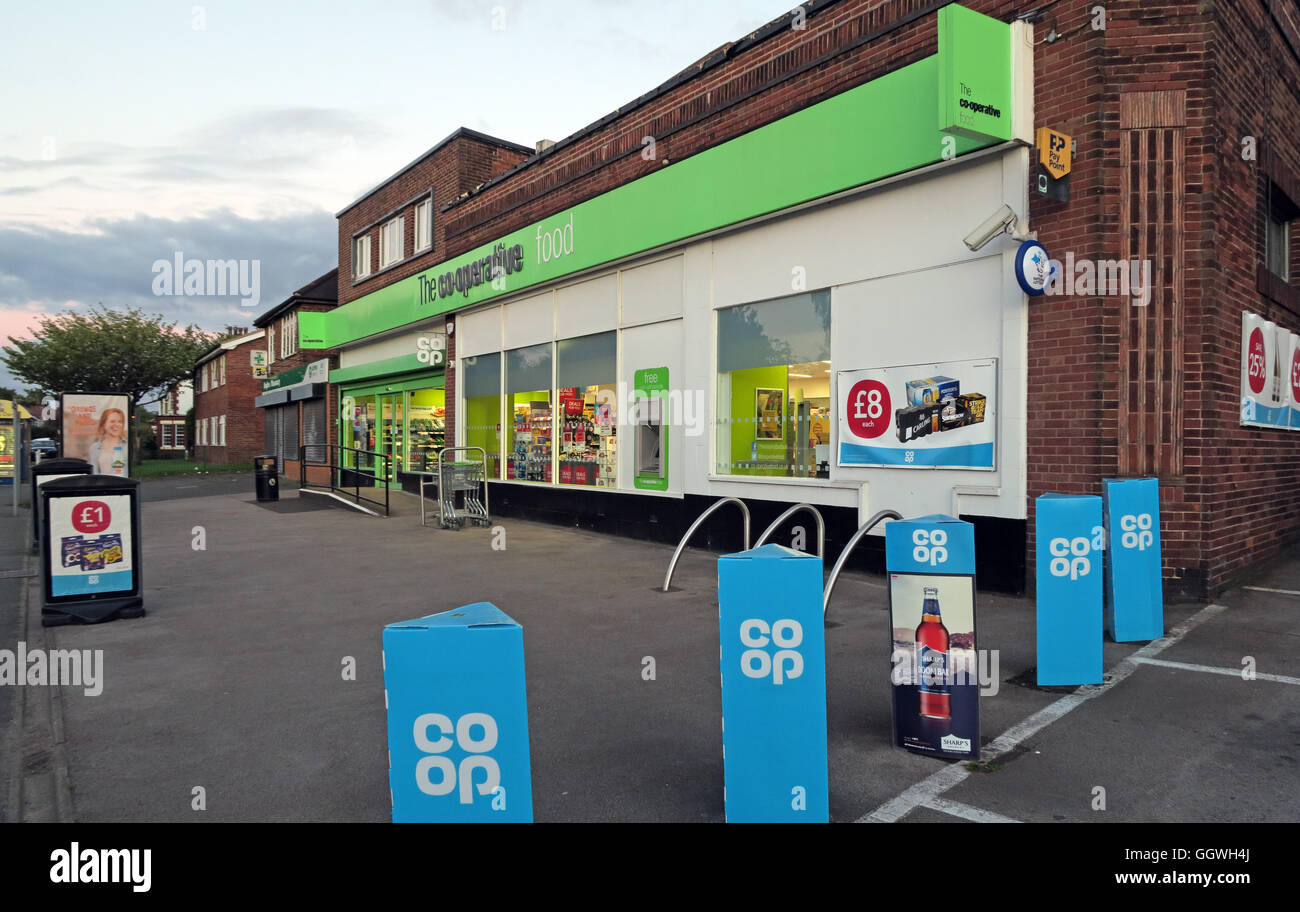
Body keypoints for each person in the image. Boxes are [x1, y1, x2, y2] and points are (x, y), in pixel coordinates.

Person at [87, 408, 128, 475]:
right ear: (103, 424)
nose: (116, 425)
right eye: (112, 421)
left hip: (124, 484)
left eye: (120, 421)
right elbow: (94, 472)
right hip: (102, 484)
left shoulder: (127, 446)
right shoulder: (94, 447)